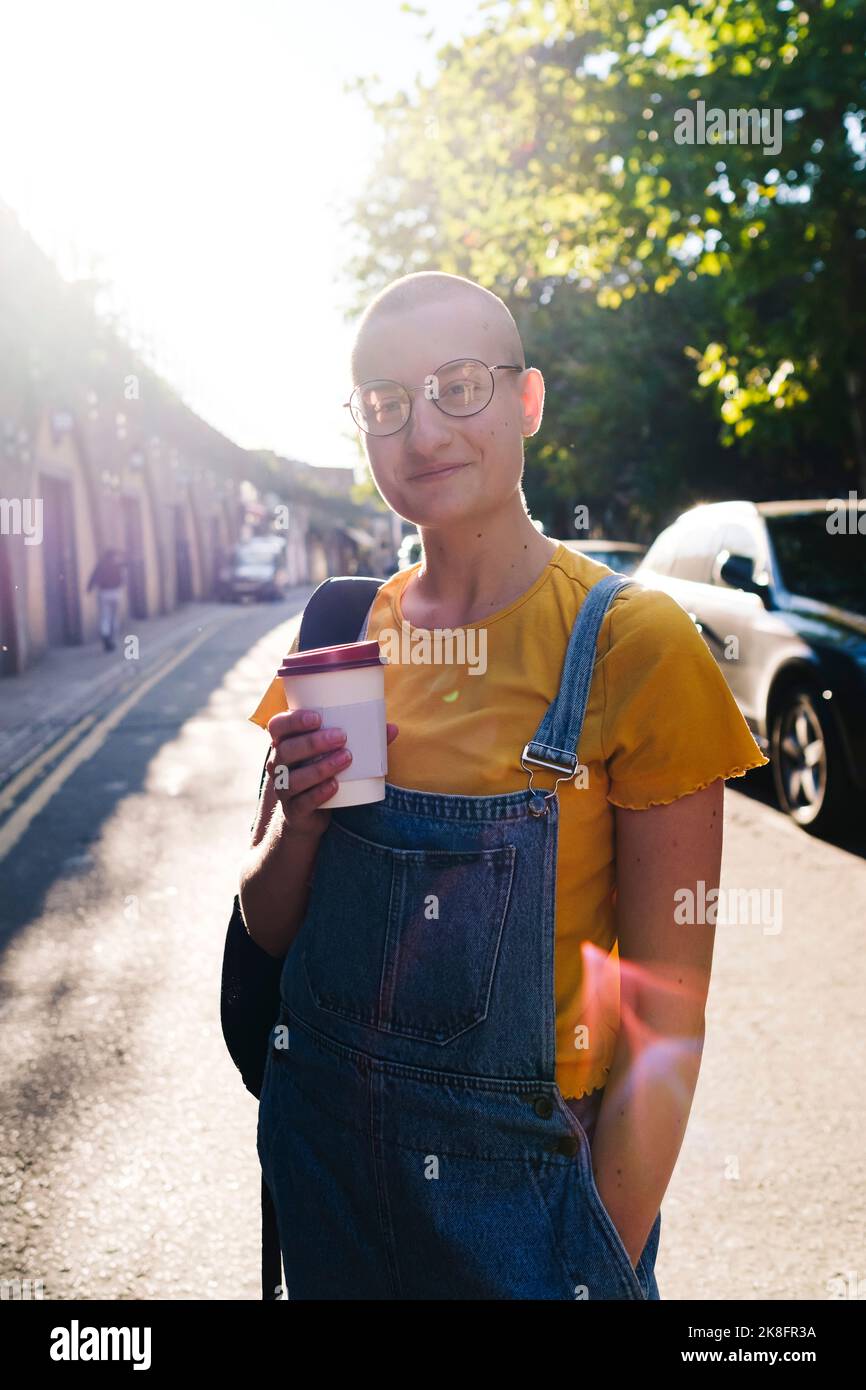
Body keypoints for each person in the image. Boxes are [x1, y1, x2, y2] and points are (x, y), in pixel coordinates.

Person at [240, 271, 768, 1300]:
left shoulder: (628, 643)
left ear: (526, 401)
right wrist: (298, 825)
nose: (422, 429)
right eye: (385, 402)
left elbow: (667, 1021)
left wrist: (591, 1265)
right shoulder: (345, 635)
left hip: (527, 1216)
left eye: (459, 386)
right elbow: (265, 927)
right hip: (331, 1181)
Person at [86, 547, 127, 652]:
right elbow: (123, 579)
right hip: (116, 593)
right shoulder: (118, 565)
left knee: (105, 617)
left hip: (104, 593)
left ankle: (105, 635)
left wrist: (89, 588)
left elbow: (94, 576)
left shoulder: (101, 565)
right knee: (114, 617)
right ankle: (112, 640)